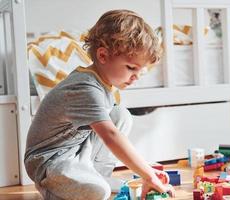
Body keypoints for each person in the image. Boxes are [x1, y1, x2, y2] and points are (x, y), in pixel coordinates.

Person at [24, 9, 175, 200]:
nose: (137, 76)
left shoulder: (104, 84)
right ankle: (55, 190)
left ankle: (96, 175)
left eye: (141, 70)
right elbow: (110, 136)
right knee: (98, 192)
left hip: (77, 148)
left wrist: (145, 169)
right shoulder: (84, 87)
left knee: (120, 115)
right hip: (50, 161)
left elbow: (112, 130)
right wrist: (148, 175)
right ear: (102, 56)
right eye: (131, 68)